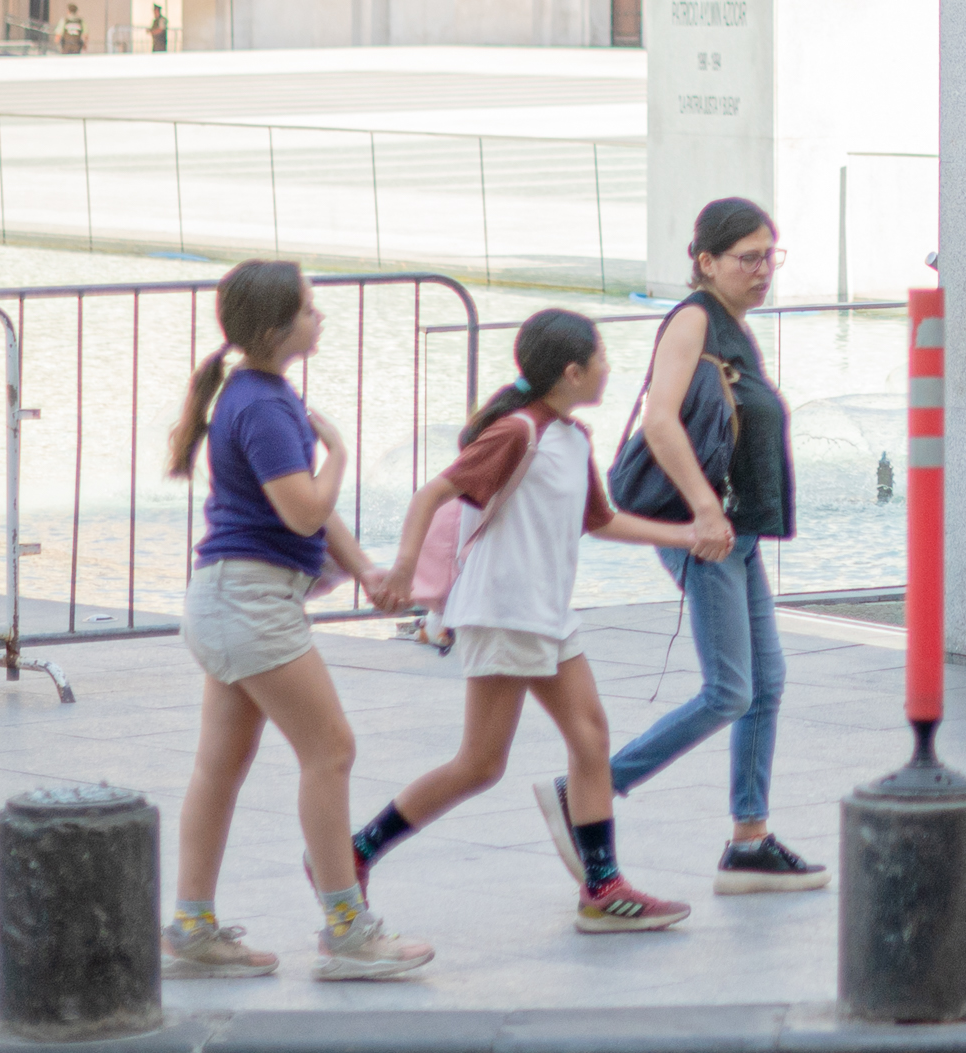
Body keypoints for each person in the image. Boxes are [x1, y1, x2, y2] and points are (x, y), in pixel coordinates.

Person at [355, 310, 730, 933]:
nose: (610, 368)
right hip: (505, 612)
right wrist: (399, 570)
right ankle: (354, 854)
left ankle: (603, 888)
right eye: (601, 358)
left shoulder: (572, 437)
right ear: (572, 370)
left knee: (591, 739)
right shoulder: (517, 432)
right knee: (480, 764)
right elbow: (431, 495)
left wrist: (687, 534)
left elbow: (600, 520)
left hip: (546, 615)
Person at [161, 260, 434, 984]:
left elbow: (315, 513)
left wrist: (368, 569)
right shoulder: (263, 404)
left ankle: (192, 925)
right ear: (278, 326)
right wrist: (340, 452)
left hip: (231, 600)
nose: (322, 317)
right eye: (312, 308)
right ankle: (347, 929)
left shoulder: (256, 395)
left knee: (220, 765)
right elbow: (306, 508)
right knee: (331, 749)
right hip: (249, 603)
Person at [604, 198, 823, 891]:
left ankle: (749, 838)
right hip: (708, 531)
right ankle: (592, 787)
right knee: (730, 689)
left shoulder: (734, 326)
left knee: (766, 683)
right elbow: (660, 421)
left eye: (770, 255)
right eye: (748, 257)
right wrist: (702, 509)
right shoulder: (695, 317)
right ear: (705, 262)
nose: (763, 270)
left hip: (739, 530)